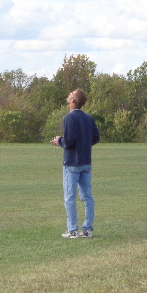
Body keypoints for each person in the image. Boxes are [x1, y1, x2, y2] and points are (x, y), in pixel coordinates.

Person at [51, 89, 100, 238]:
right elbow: (96, 137)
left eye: (71, 94)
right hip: (86, 162)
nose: (68, 95)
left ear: (73, 100)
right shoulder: (88, 118)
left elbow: (69, 141)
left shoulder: (70, 117)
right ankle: (87, 229)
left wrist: (59, 140)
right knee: (87, 197)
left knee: (70, 198)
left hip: (72, 163)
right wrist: (84, 144)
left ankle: (72, 230)